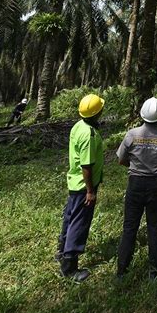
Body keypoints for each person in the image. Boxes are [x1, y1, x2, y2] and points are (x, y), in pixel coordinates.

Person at [116, 96, 157, 281]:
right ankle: (154, 271)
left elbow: (121, 160)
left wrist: (136, 164)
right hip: (156, 186)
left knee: (129, 227)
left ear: (142, 114)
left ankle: (122, 271)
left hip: (135, 184)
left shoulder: (131, 135)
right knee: (154, 227)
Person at [56, 93, 105, 283]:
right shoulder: (89, 135)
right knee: (80, 222)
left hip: (74, 182)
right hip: (84, 185)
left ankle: (61, 251)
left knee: (70, 216)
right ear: (97, 113)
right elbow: (87, 166)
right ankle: (69, 268)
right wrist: (91, 191)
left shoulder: (78, 126)